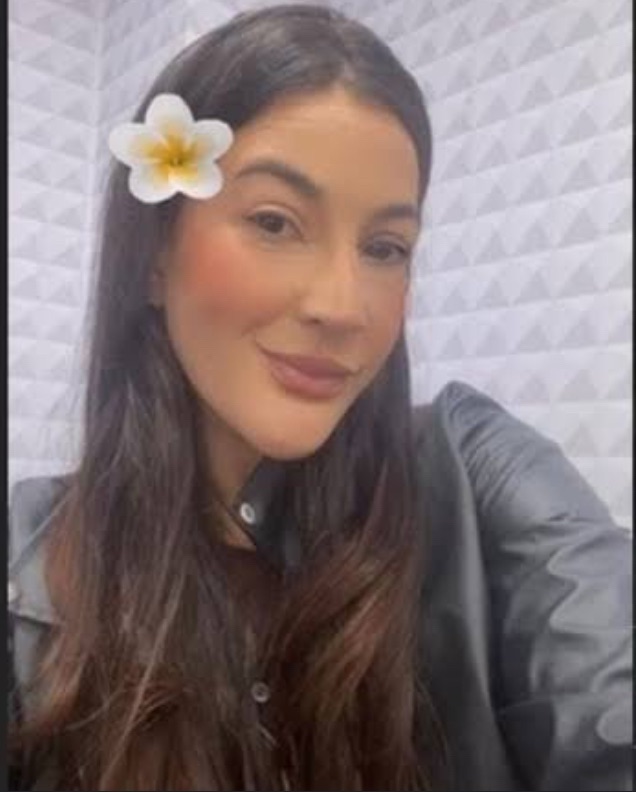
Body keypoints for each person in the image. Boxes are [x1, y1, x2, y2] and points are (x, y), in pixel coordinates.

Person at [7, 4, 631, 791]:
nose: (343, 307)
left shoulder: (477, 476)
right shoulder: (28, 560)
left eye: (385, 247)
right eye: (275, 222)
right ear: (155, 255)